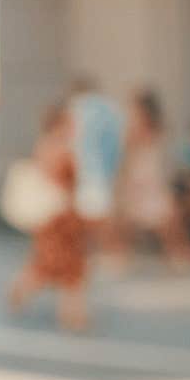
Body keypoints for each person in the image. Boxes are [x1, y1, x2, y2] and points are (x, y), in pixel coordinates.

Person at [8, 103, 92, 333]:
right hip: (59, 218)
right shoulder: (58, 149)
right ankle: (73, 316)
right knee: (63, 269)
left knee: (57, 268)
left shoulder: (48, 146)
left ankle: (71, 314)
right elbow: (59, 183)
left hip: (58, 219)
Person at [116, 89, 190, 271]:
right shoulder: (150, 126)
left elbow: (130, 147)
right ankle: (123, 254)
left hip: (146, 172)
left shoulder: (143, 126)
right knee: (132, 218)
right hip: (144, 171)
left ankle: (181, 253)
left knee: (164, 218)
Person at [68, 78, 125, 263]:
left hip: (86, 169)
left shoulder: (78, 108)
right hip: (103, 169)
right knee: (96, 213)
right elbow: (116, 142)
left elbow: (74, 141)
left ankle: (112, 251)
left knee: (96, 215)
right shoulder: (110, 109)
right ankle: (100, 251)